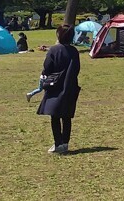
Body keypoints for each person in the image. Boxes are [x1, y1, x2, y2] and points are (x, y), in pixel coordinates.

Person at [37, 24, 81, 154]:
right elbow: (77, 69)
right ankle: (65, 143)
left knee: (54, 115)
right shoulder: (74, 51)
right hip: (70, 85)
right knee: (66, 116)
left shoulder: (54, 50)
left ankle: (58, 143)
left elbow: (47, 67)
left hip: (55, 86)